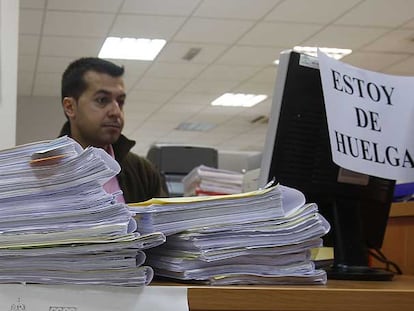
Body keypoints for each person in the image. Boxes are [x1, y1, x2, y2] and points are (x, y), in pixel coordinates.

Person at [59, 57, 167, 203]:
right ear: (70, 107)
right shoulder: (45, 171)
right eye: (102, 100)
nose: (116, 112)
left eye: (120, 102)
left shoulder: (143, 172)